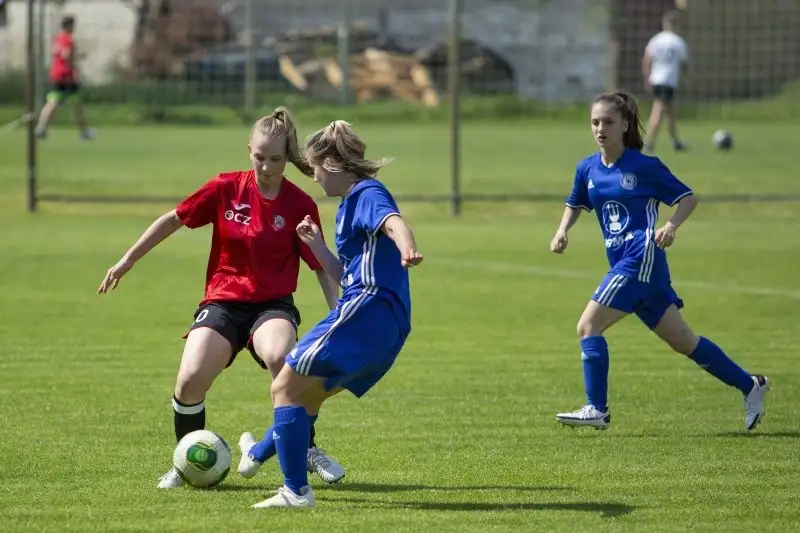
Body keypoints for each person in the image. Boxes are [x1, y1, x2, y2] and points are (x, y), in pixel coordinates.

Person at [97, 107, 345, 488]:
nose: (266, 166)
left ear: (287, 156)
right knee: (190, 379)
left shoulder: (299, 205)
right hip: (223, 302)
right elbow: (173, 218)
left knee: (282, 358)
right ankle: (186, 462)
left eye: (276, 159)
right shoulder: (225, 188)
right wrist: (127, 260)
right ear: (249, 150)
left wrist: (336, 313)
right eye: (259, 157)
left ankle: (306, 447)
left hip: (273, 305)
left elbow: (319, 265)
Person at [549, 91, 770, 431]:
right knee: (683, 341)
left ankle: (597, 409)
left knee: (588, 326)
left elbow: (687, 198)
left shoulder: (644, 166)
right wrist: (563, 230)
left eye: (608, 122)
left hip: (641, 259)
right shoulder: (587, 168)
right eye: (595, 122)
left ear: (625, 125)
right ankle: (750, 385)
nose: (600, 128)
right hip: (631, 265)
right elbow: (576, 201)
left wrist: (671, 225)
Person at [240, 120, 423, 509]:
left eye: (316, 169)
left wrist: (407, 247)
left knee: (284, 385)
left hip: (368, 307)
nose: (315, 178)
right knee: (304, 397)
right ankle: (256, 454)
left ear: (332, 164)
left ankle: (295, 491)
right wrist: (317, 246)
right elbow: (345, 273)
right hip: (386, 321)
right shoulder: (346, 208)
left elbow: (394, 223)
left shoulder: (366, 193)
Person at [35, 15, 96, 140]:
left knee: (52, 102)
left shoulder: (57, 39)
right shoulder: (68, 40)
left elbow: (59, 54)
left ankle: (41, 127)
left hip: (56, 74)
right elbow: (66, 55)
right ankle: (83, 131)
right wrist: (77, 63)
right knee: (76, 103)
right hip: (66, 76)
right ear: (69, 26)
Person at [642, 10, 688, 153]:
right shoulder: (678, 41)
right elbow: (685, 63)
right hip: (668, 80)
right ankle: (648, 142)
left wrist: (647, 77)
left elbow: (647, 60)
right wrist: (686, 77)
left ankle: (676, 141)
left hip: (656, 78)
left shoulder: (656, 40)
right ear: (676, 25)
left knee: (670, 112)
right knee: (659, 110)